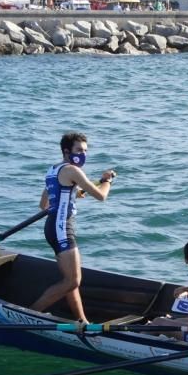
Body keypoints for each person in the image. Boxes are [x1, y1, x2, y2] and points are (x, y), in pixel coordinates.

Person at [31, 132, 116, 322]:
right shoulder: (73, 171)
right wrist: (107, 181)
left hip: (52, 228)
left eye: (85, 150)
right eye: (79, 150)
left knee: (70, 281)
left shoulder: (53, 170)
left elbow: (44, 204)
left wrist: (72, 195)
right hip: (62, 229)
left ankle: (82, 322)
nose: (83, 154)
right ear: (66, 151)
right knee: (72, 280)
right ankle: (31, 312)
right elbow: (101, 196)